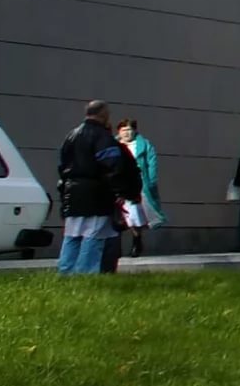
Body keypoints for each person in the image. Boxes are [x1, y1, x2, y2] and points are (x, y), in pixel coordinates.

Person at [54, 102, 133, 275]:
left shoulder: (71, 135)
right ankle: (85, 273)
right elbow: (113, 165)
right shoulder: (102, 137)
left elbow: (62, 165)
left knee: (72, 234)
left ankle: (66, 271)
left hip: (72, 191)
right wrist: (120, 191)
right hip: (96, 192)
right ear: (103, 114)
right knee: (93, 234)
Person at [107, 117, 164, 269]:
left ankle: (136, 241)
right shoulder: (113, 145)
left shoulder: (143, 146)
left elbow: (151, 164)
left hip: (134, 185)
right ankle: (116, 247)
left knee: (134, 216)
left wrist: (151, 182)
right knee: (117, 217)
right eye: (123, 130)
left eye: (129, 130)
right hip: (117, 185)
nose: (127, 133)